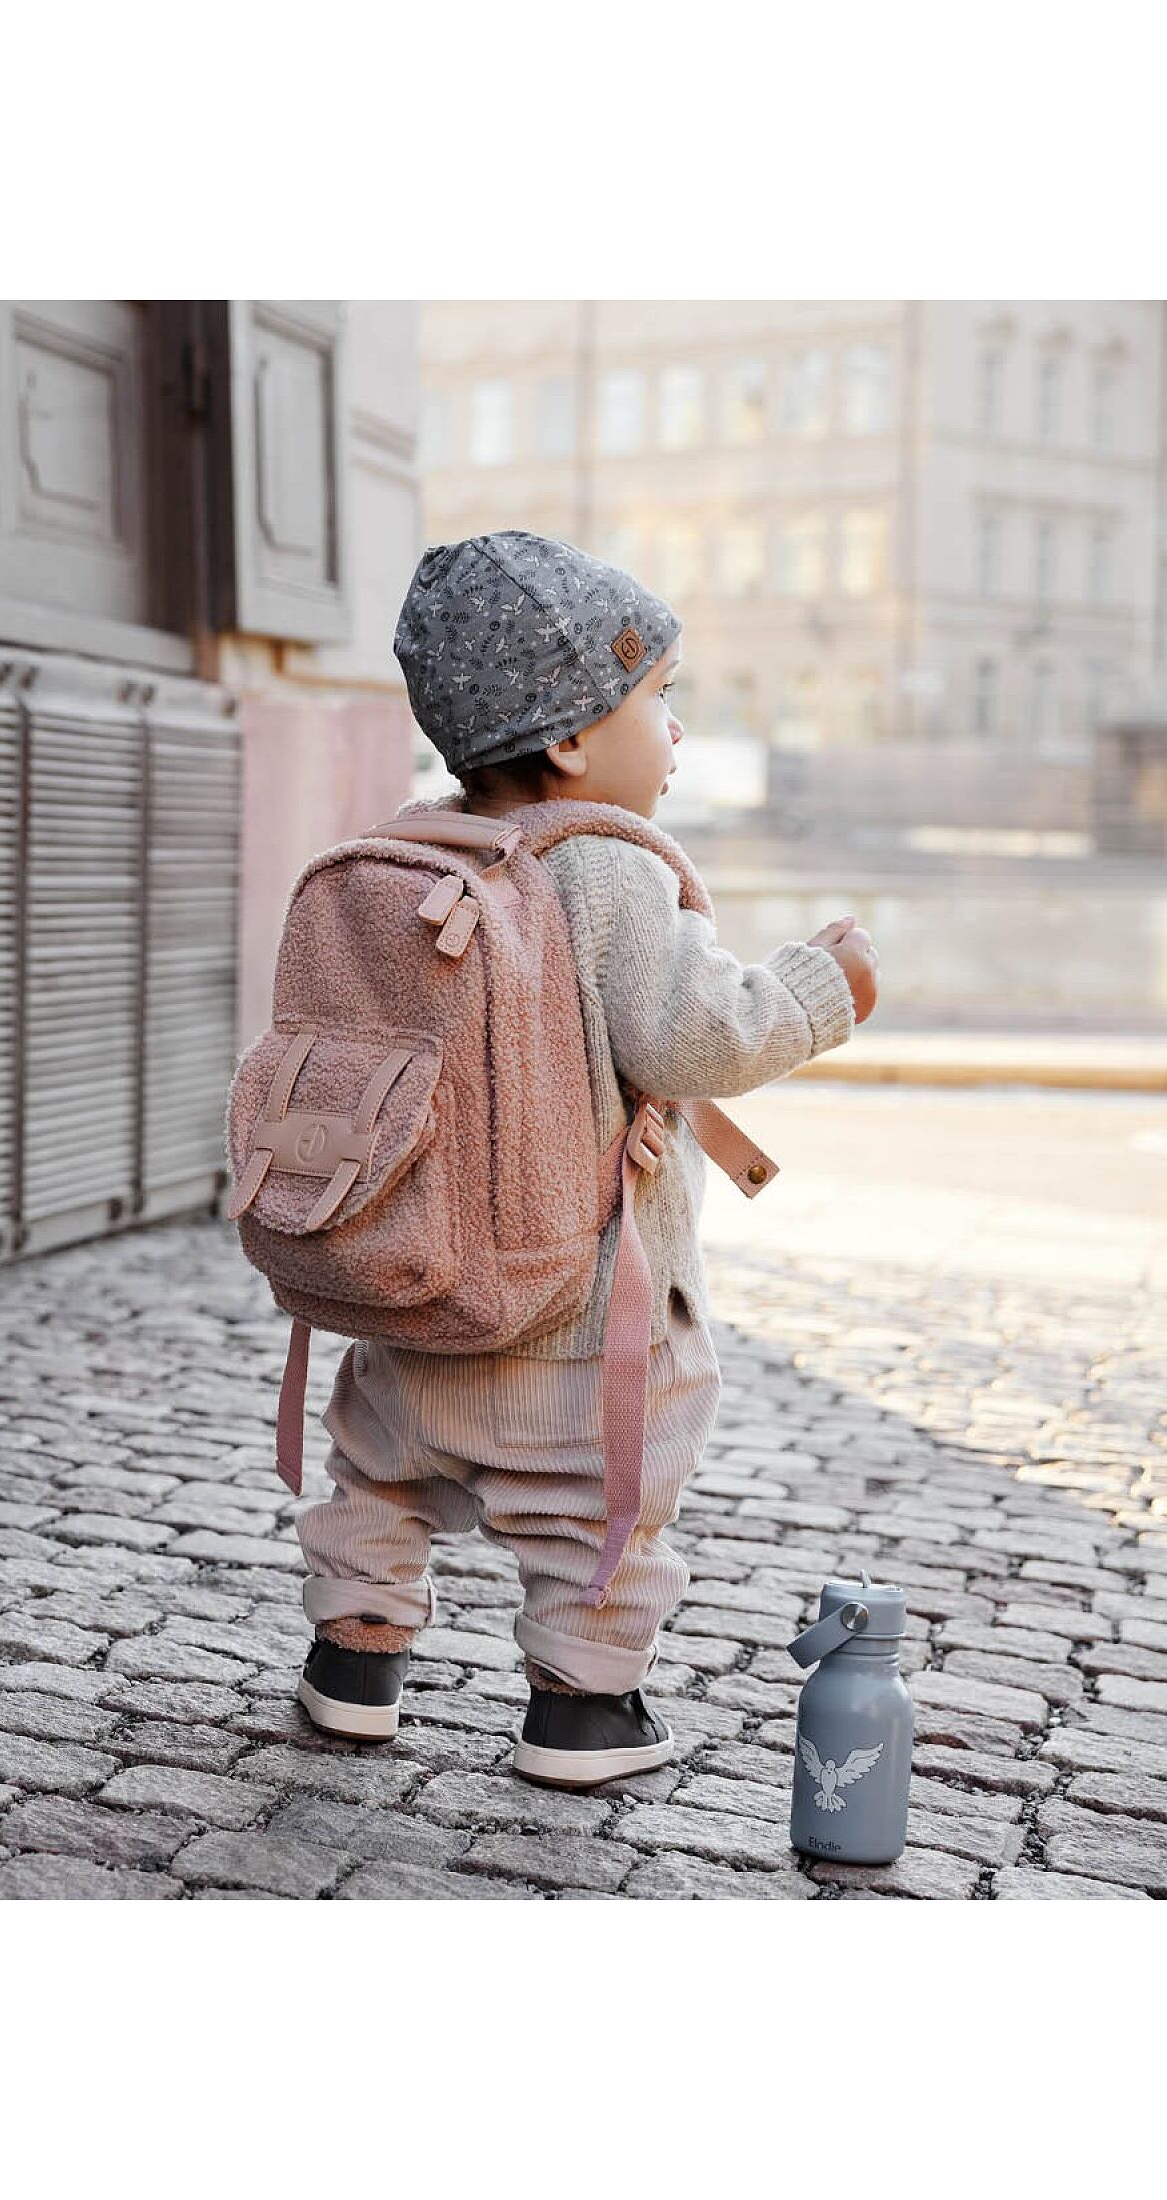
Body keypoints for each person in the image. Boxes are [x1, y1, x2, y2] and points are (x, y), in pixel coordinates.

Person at [291, 531, 880, 1788]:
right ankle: (582, 1712)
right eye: (658, 698)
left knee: (378, 1479)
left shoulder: (416, 849)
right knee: (595, 1513)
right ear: (571, 738)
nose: (673, 734)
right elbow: (698, 1032)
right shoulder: (603, 865)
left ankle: (352, 1663)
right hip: (571, 1311)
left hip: (410, 1289)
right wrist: (821, 987)